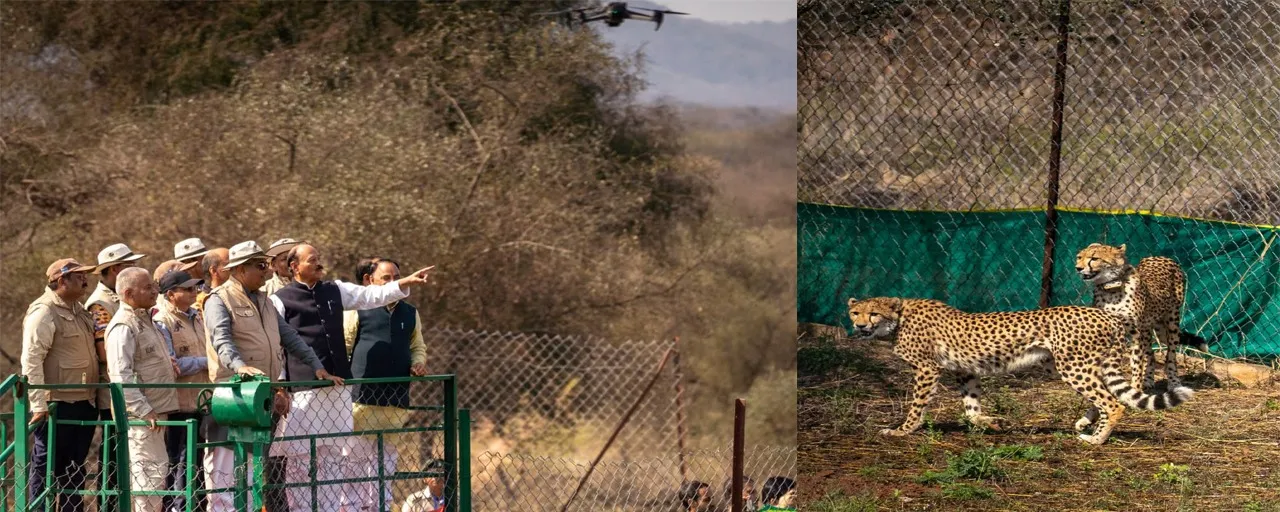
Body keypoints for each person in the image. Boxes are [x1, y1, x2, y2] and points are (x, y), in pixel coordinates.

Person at [267, 243, 433, 511]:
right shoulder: (279, 299)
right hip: (300, 391)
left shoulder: (335, 290)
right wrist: (280, 387)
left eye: (319, 259)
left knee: (332, 457)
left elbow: (370, 296)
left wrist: (403, 282)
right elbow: (277, 348)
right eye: (312, 260)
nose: (319, 263)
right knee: (299, 457)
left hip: (337, 389)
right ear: (294, 266)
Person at [202, 240, 343, 512]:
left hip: (261, 395)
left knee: (254, 467)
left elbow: (290, 337)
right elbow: (221, 341)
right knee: (224, 468)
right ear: (241, 269)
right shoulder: (219, 299)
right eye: (260, 265)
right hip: (231, 395)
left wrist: (316, 365)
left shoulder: (264, 300)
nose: (266, 271)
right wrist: (239, 366)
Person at [344, 257, 429, 510]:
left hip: (395, 401)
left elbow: (417, 346)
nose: (393, 283)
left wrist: (418, 363)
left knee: (386, 462)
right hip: (360, 399)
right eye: (386, 279)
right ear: (370, 281)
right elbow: (345, 346)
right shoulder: (357, 309)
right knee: (354, 461)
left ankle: (380, 506)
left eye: (396, 278)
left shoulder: (410, 313)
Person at [21, 258, 99, 512]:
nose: (85, 280)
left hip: (83, 401)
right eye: (78, 276)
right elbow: (31, 359)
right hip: (56, 405)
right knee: (46, 467)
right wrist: (39, 405)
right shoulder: (44, 311)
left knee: (75, 469)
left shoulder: (79, 310)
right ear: (62, 280)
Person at [105, 267, 179, 512]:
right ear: (128, 293)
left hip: (155, 415)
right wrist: (143, 410)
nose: (155, 291)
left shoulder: (144, 319)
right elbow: (120, 375)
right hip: (142, 419)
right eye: (147, 287)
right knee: (148, 480)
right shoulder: (124, 326)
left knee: (155, 477)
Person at [86, 242, 147, 511]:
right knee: (113, 454)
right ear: (115, 269)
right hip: (114, 391)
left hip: (130, 386)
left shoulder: (126, 299)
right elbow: (104, 353)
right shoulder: (100, 304)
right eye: (129, 264)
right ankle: (110, 505)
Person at [152, 270, 211, 512]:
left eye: (194, 287)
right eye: (186, 289)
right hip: (180, 406)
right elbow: (172, 365)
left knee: (197, 466)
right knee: (180, 466)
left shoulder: (198, 317)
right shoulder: (161, 321)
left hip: (204, 402)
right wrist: (209, 361)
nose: (192, 292)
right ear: (170, 294)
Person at [195, 247, 230, 313]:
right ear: (214, 271)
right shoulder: (201, 303)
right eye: (228, 265)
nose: (235, 268)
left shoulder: (241, 293)